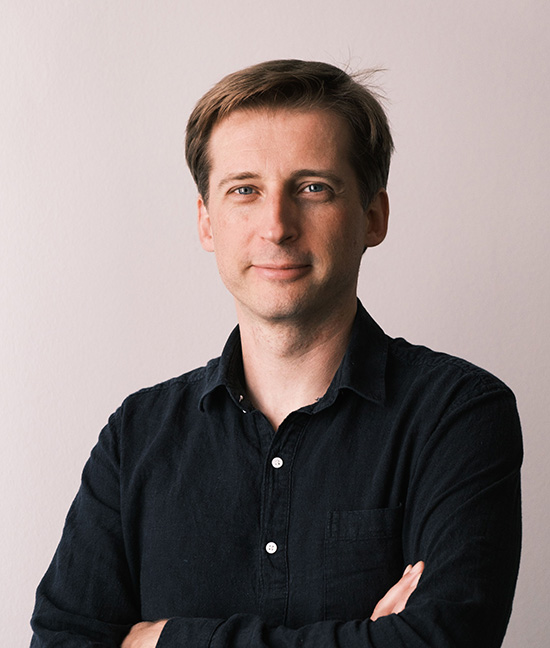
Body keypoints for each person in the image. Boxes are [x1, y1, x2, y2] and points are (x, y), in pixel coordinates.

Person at [30, 59, 522, 648]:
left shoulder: (458, 414)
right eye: (245, 190)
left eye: (313, 188)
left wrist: (166, 641)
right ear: (206, 222)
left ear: (373, 216)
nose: (277, 226)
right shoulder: (136, 436)